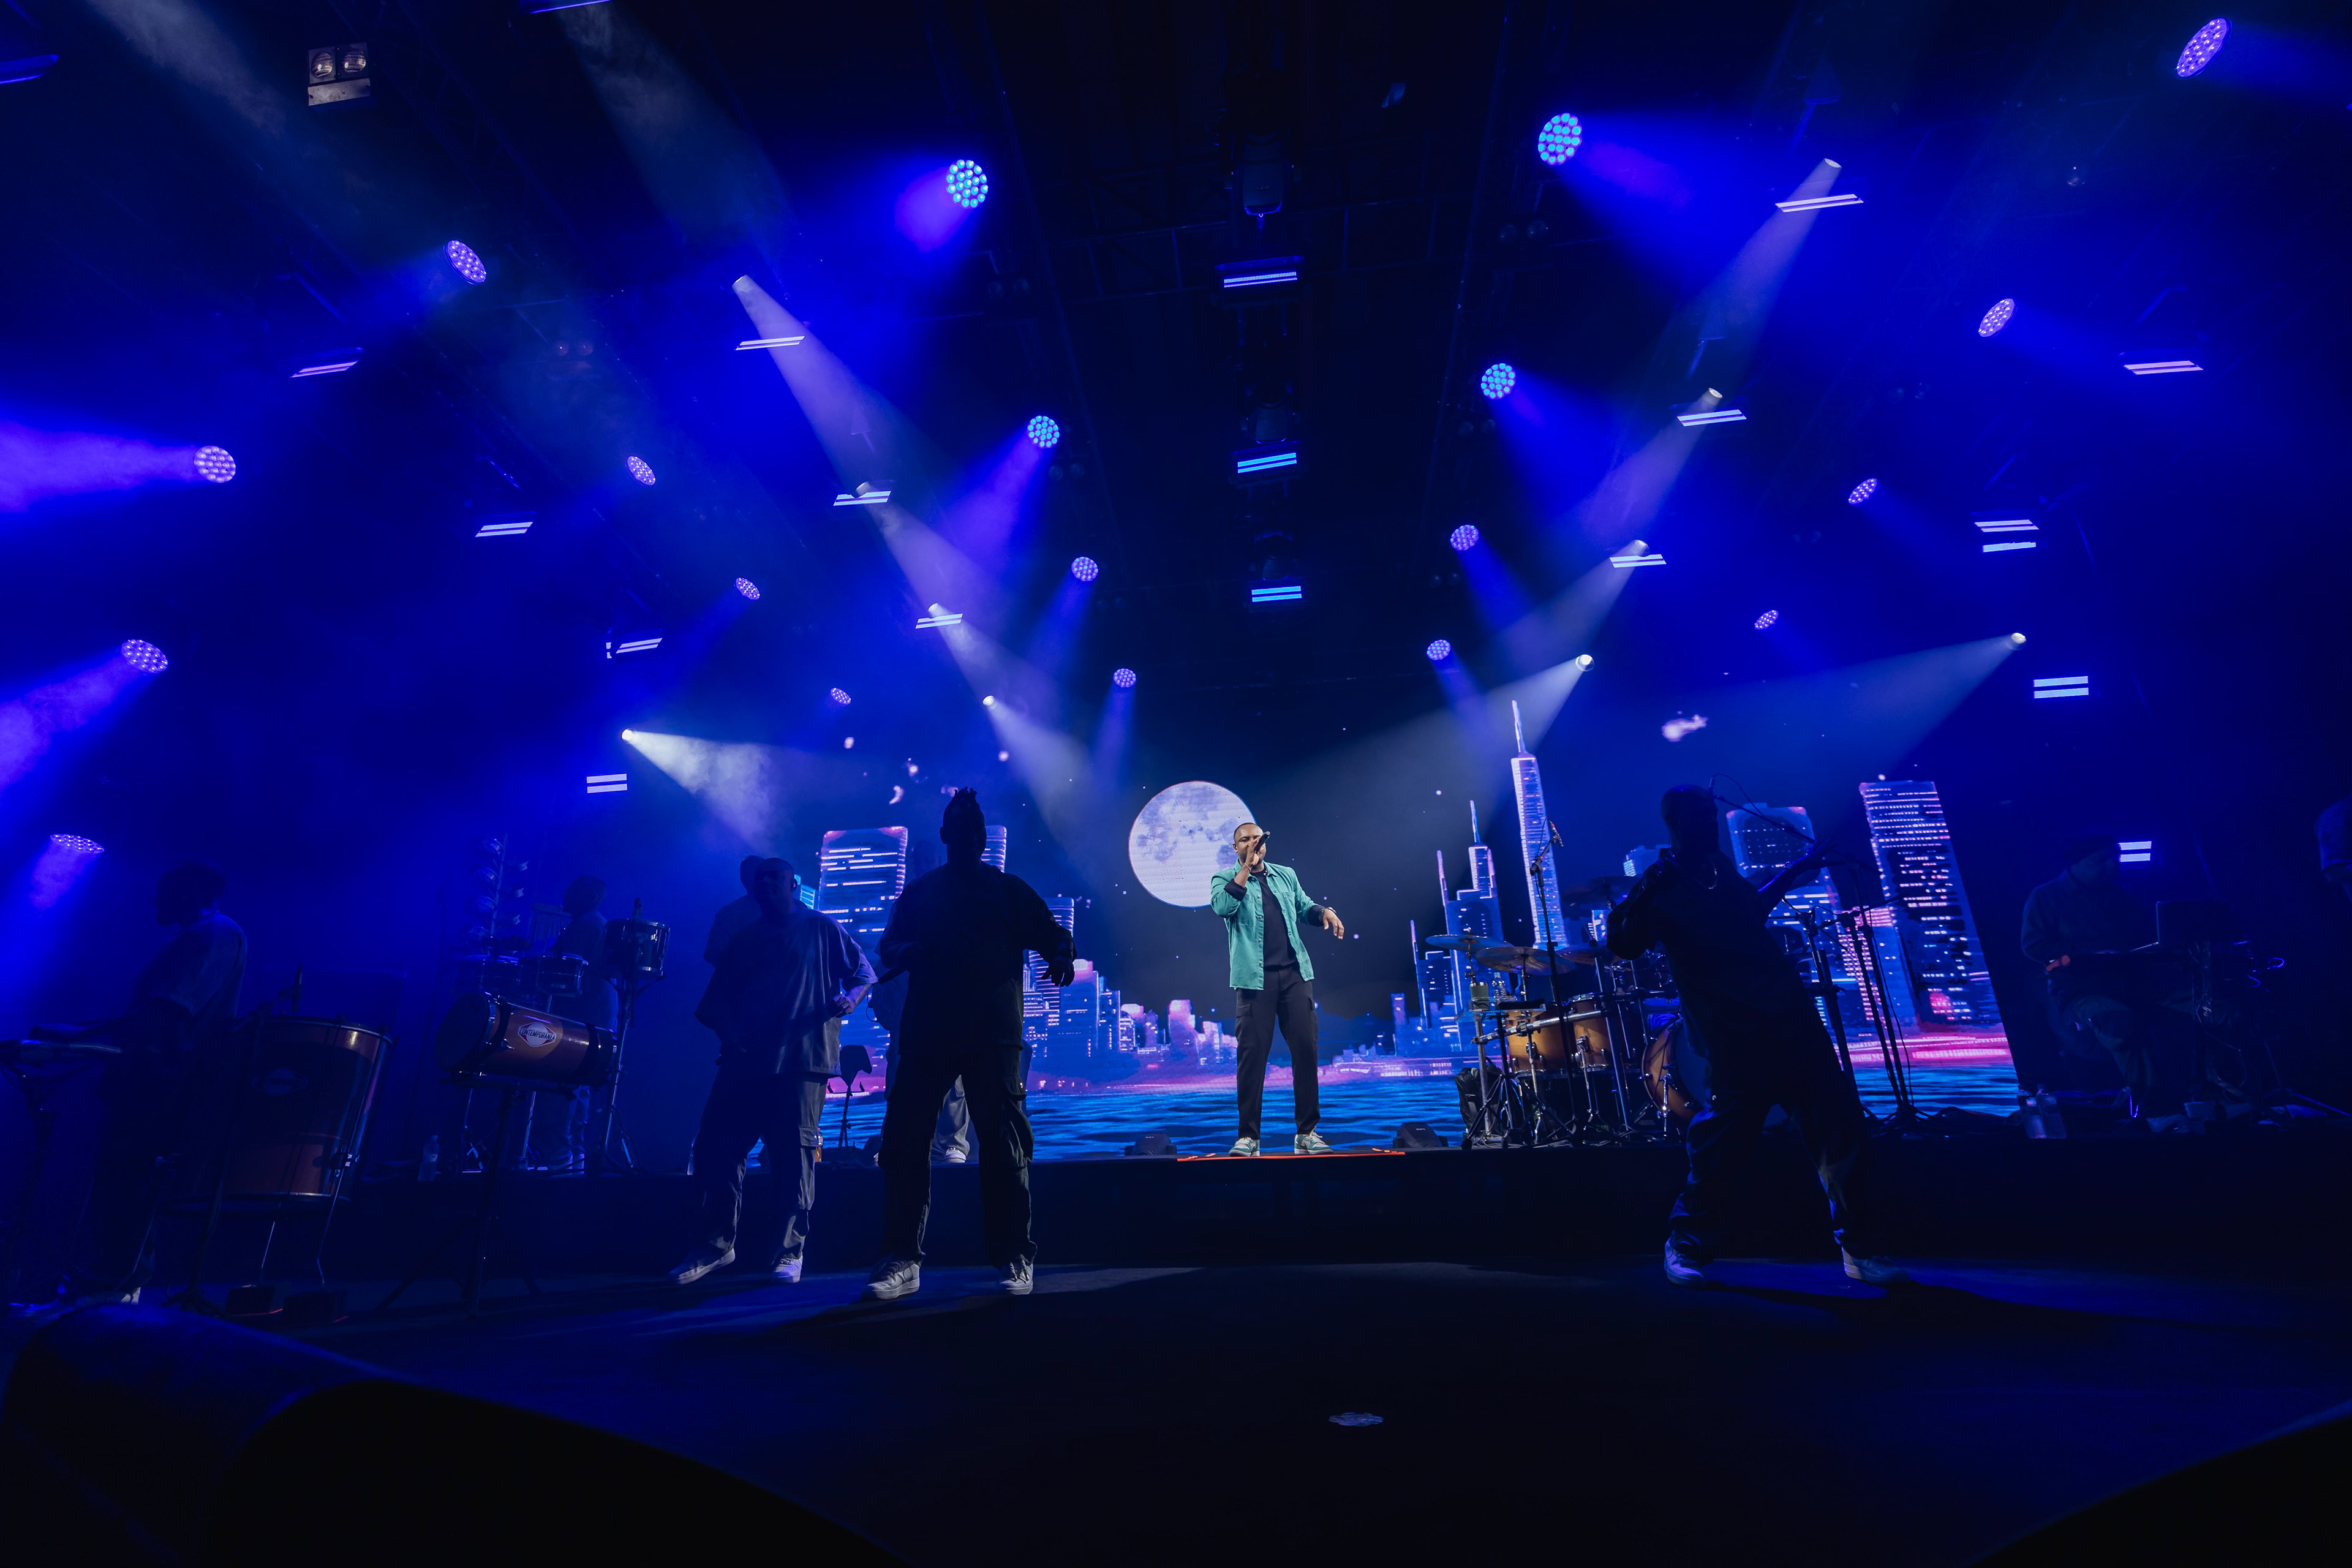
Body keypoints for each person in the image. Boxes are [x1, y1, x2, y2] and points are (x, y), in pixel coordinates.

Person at [1607, 787, 1905, 1290]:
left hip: (1789, 1017)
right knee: (1723, 1144)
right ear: (1674, 823)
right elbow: (1622, 942)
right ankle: (1686, 1243)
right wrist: (1645, 890)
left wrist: (1798, 869)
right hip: (1733, 1031)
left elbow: (1751, 911)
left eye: (1711, 813)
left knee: (1838, 1128)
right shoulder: (1663, 882)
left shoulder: (1720, 868)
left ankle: (1859, 1247)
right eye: (1698, 816)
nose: (1709, 822)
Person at [864, 790, 1074, 1301]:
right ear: (946, 837)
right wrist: (910, 949)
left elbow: (1052, 934)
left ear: (981, 838)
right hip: (930, 1035)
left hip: (989, 1034)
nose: (966, 839)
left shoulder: (1006, 890)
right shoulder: (922, 893)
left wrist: (1062, 954)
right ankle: (903, 1256)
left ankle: (1014, 1254)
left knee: (1003, 1145)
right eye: (959, 831)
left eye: (973, 832)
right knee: (906, 1144)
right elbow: (889, 946)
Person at [31, 862, 247, 1307]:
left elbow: (167, 1011)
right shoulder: (201, 935)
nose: (154, 899)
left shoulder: (213, 935)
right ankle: (112, 1283)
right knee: (122, 1181)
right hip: (151, 1080)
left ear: (190, 891)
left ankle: (114, 1287)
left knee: (132, 1181)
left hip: (161, 1084)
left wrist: (81, 1033)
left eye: (163, 889)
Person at [665, 858, 873, 1286]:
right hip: (745, 1062)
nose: (765, 882)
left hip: (802, 1060)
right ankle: (714, 1245)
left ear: (793, 884)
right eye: (760, 877)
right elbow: (714, 1004)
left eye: (774, 876)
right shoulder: (743, 939)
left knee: (794, 1154)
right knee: (716, 1148)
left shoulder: (821, 928)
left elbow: (862, 973)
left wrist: (850, 1000)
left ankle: (789, 1251)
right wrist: (731, 1036)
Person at [2021, 837, 2201, 1124]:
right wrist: (2086, 955)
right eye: (2101, 860)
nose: (2112, 866)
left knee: (2209, 1010)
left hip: (2134, 986)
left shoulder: (2123, 895)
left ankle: (2198, 1097)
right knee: (2119, 1021)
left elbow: (2146, 939)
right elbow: (2034, 947)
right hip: (2079, 989)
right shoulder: (2046, 896)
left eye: (2114, 859)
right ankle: (2152, 1109)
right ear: (2076, 863)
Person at [1207, 821, 1345, 1157]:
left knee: (1306, 1051)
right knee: (1252, 1057)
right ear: (1236, 848)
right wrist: (1245, 869)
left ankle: (1307, 1133)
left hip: (1295, 975)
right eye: (1245, 840)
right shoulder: (1224, 878)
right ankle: (1249, 1137)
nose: (1253, 843)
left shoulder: (1285, 875)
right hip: (1254, 981)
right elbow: (1223, 907)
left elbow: (1303, 907)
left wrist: (1323, 912)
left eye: (1257, 838)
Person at [704, 855, 764, 965]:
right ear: (743, 877)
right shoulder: (729, 913)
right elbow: (715, 953)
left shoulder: (793, 908)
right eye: (752, 872)